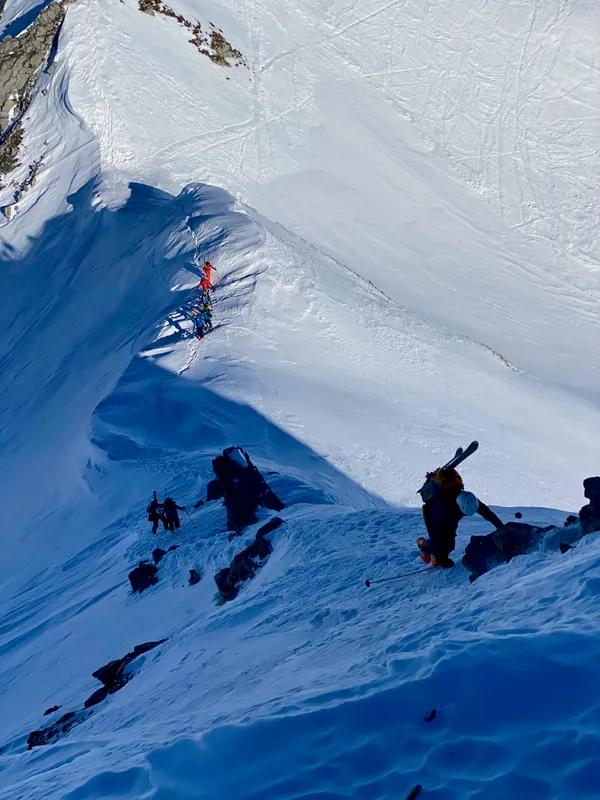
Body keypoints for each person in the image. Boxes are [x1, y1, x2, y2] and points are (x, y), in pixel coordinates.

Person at [416, 467, 504, 567]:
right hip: (431, 512)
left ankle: (437, 554)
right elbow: (435, 534)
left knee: (449, 546)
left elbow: (488, 514)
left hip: (451, 517)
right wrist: (440, 556)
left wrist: (501, 528)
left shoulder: (470, 500)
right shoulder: (441, 510)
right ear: (459, 507)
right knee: (441, 548)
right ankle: (423, 544)